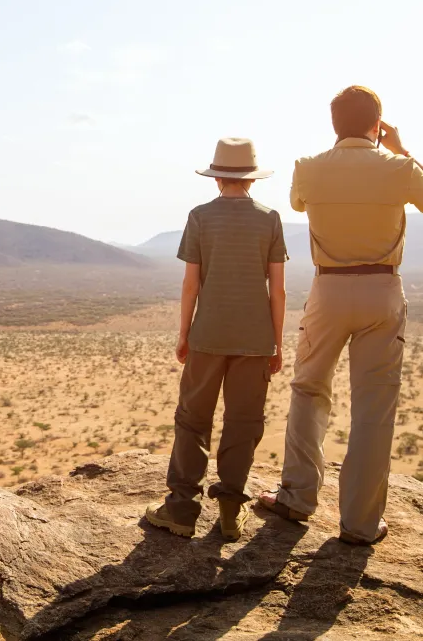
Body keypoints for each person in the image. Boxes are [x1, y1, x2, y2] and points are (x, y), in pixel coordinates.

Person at [259, 86, 423, 546]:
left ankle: (298, 496)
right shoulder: (399, 167)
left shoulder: (308, 168)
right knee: (374, 406)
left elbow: (298, 204)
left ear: (333, 124)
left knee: (308, 388)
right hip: (382, 290)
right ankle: (361, 523)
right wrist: (403, 150)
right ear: (377, 125)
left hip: (328, 288)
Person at [145, 137, 288, 542]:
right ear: (251, 179)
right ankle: (230, 513)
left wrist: (184, 334)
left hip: (207, 336)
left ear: (217, 178)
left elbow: (190, 284)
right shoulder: (270, 219)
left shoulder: (199, 217)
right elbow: (277, 291)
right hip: (255, 340)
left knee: (192, 421)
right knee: (243, 423)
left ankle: (181, 511)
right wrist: (276, 343)